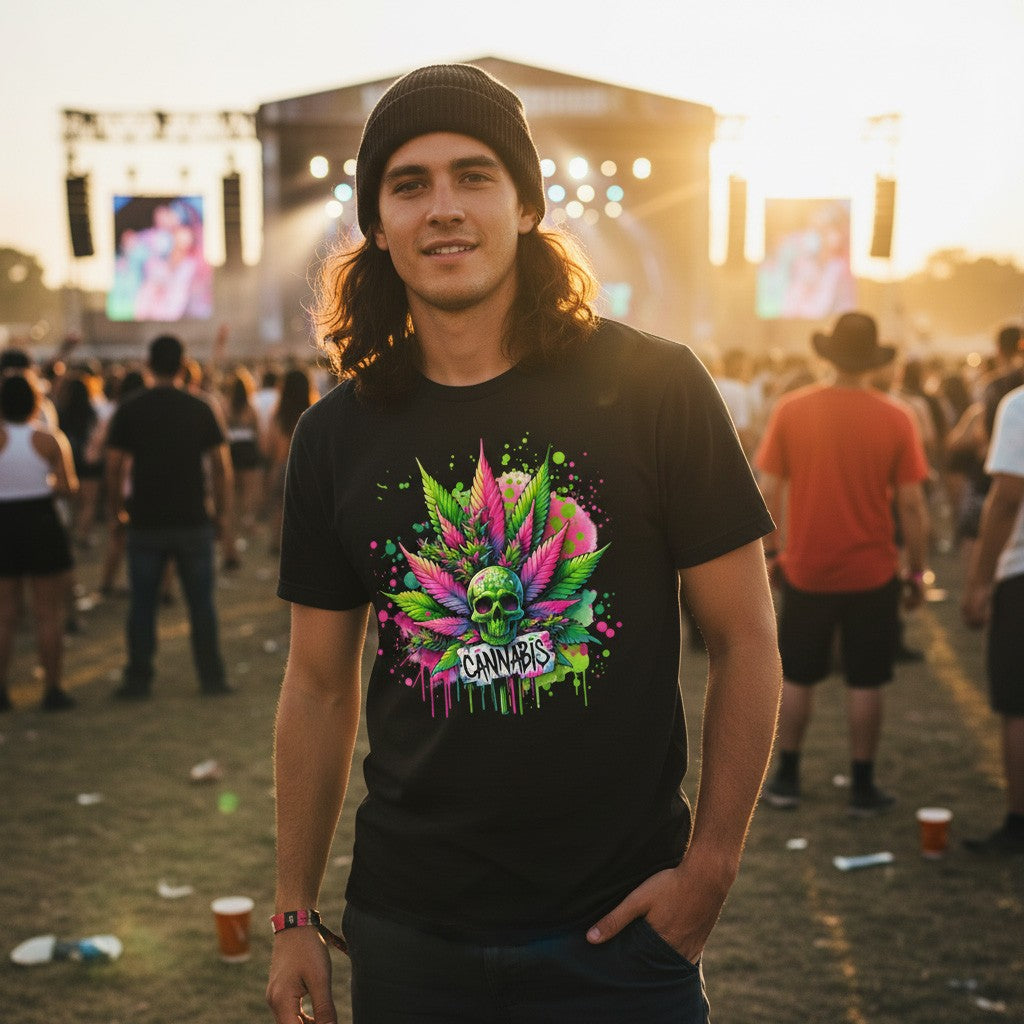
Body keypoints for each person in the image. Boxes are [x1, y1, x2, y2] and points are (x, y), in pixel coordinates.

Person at [266, 63, 781, 1024]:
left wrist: (708, 869)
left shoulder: (655, 385)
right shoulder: (335, 436)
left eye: (475, 176)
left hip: (619, 938)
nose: (443, 209)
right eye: (409, 185)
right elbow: (318, 684)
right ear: (376, 224)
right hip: (410, 937)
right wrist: (295, 909)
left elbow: (746, 639)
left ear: (529, 204)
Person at [756, 312, 930, 816]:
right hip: (873, 570)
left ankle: (787, 778)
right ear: (874, 362)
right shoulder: (897, 416)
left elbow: (768, 489)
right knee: (867, 679)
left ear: (826, 355)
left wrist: (770, 552)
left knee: (798, 676)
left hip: (806, 566)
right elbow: (913, 507)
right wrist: (917, 573)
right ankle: (861, 785)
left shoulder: (792, 410)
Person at [104, 334, 235, 699]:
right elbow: (221, 467)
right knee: (201, 606)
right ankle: (212, 678)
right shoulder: (200, 407)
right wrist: (221, 512)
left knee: (142, 605)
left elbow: (113, 467)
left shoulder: (130, 408)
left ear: (148, 364)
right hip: (193, 517)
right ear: (182, 365)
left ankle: (138, 678)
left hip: (145, 520)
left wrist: (117, 510)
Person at [960, 382, 1024, 855]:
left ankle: (1019, 819)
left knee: (1018, 704)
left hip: (1021, 575)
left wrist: (980, 580)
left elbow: (1005, 500)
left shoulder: (1020, 404)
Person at [0, 375, 79, 711]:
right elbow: (68, 487)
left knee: (4, 614)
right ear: (35, 403)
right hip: (41, 521)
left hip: (3, 522)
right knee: (48, 613)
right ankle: (53, 689)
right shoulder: (49, 439)